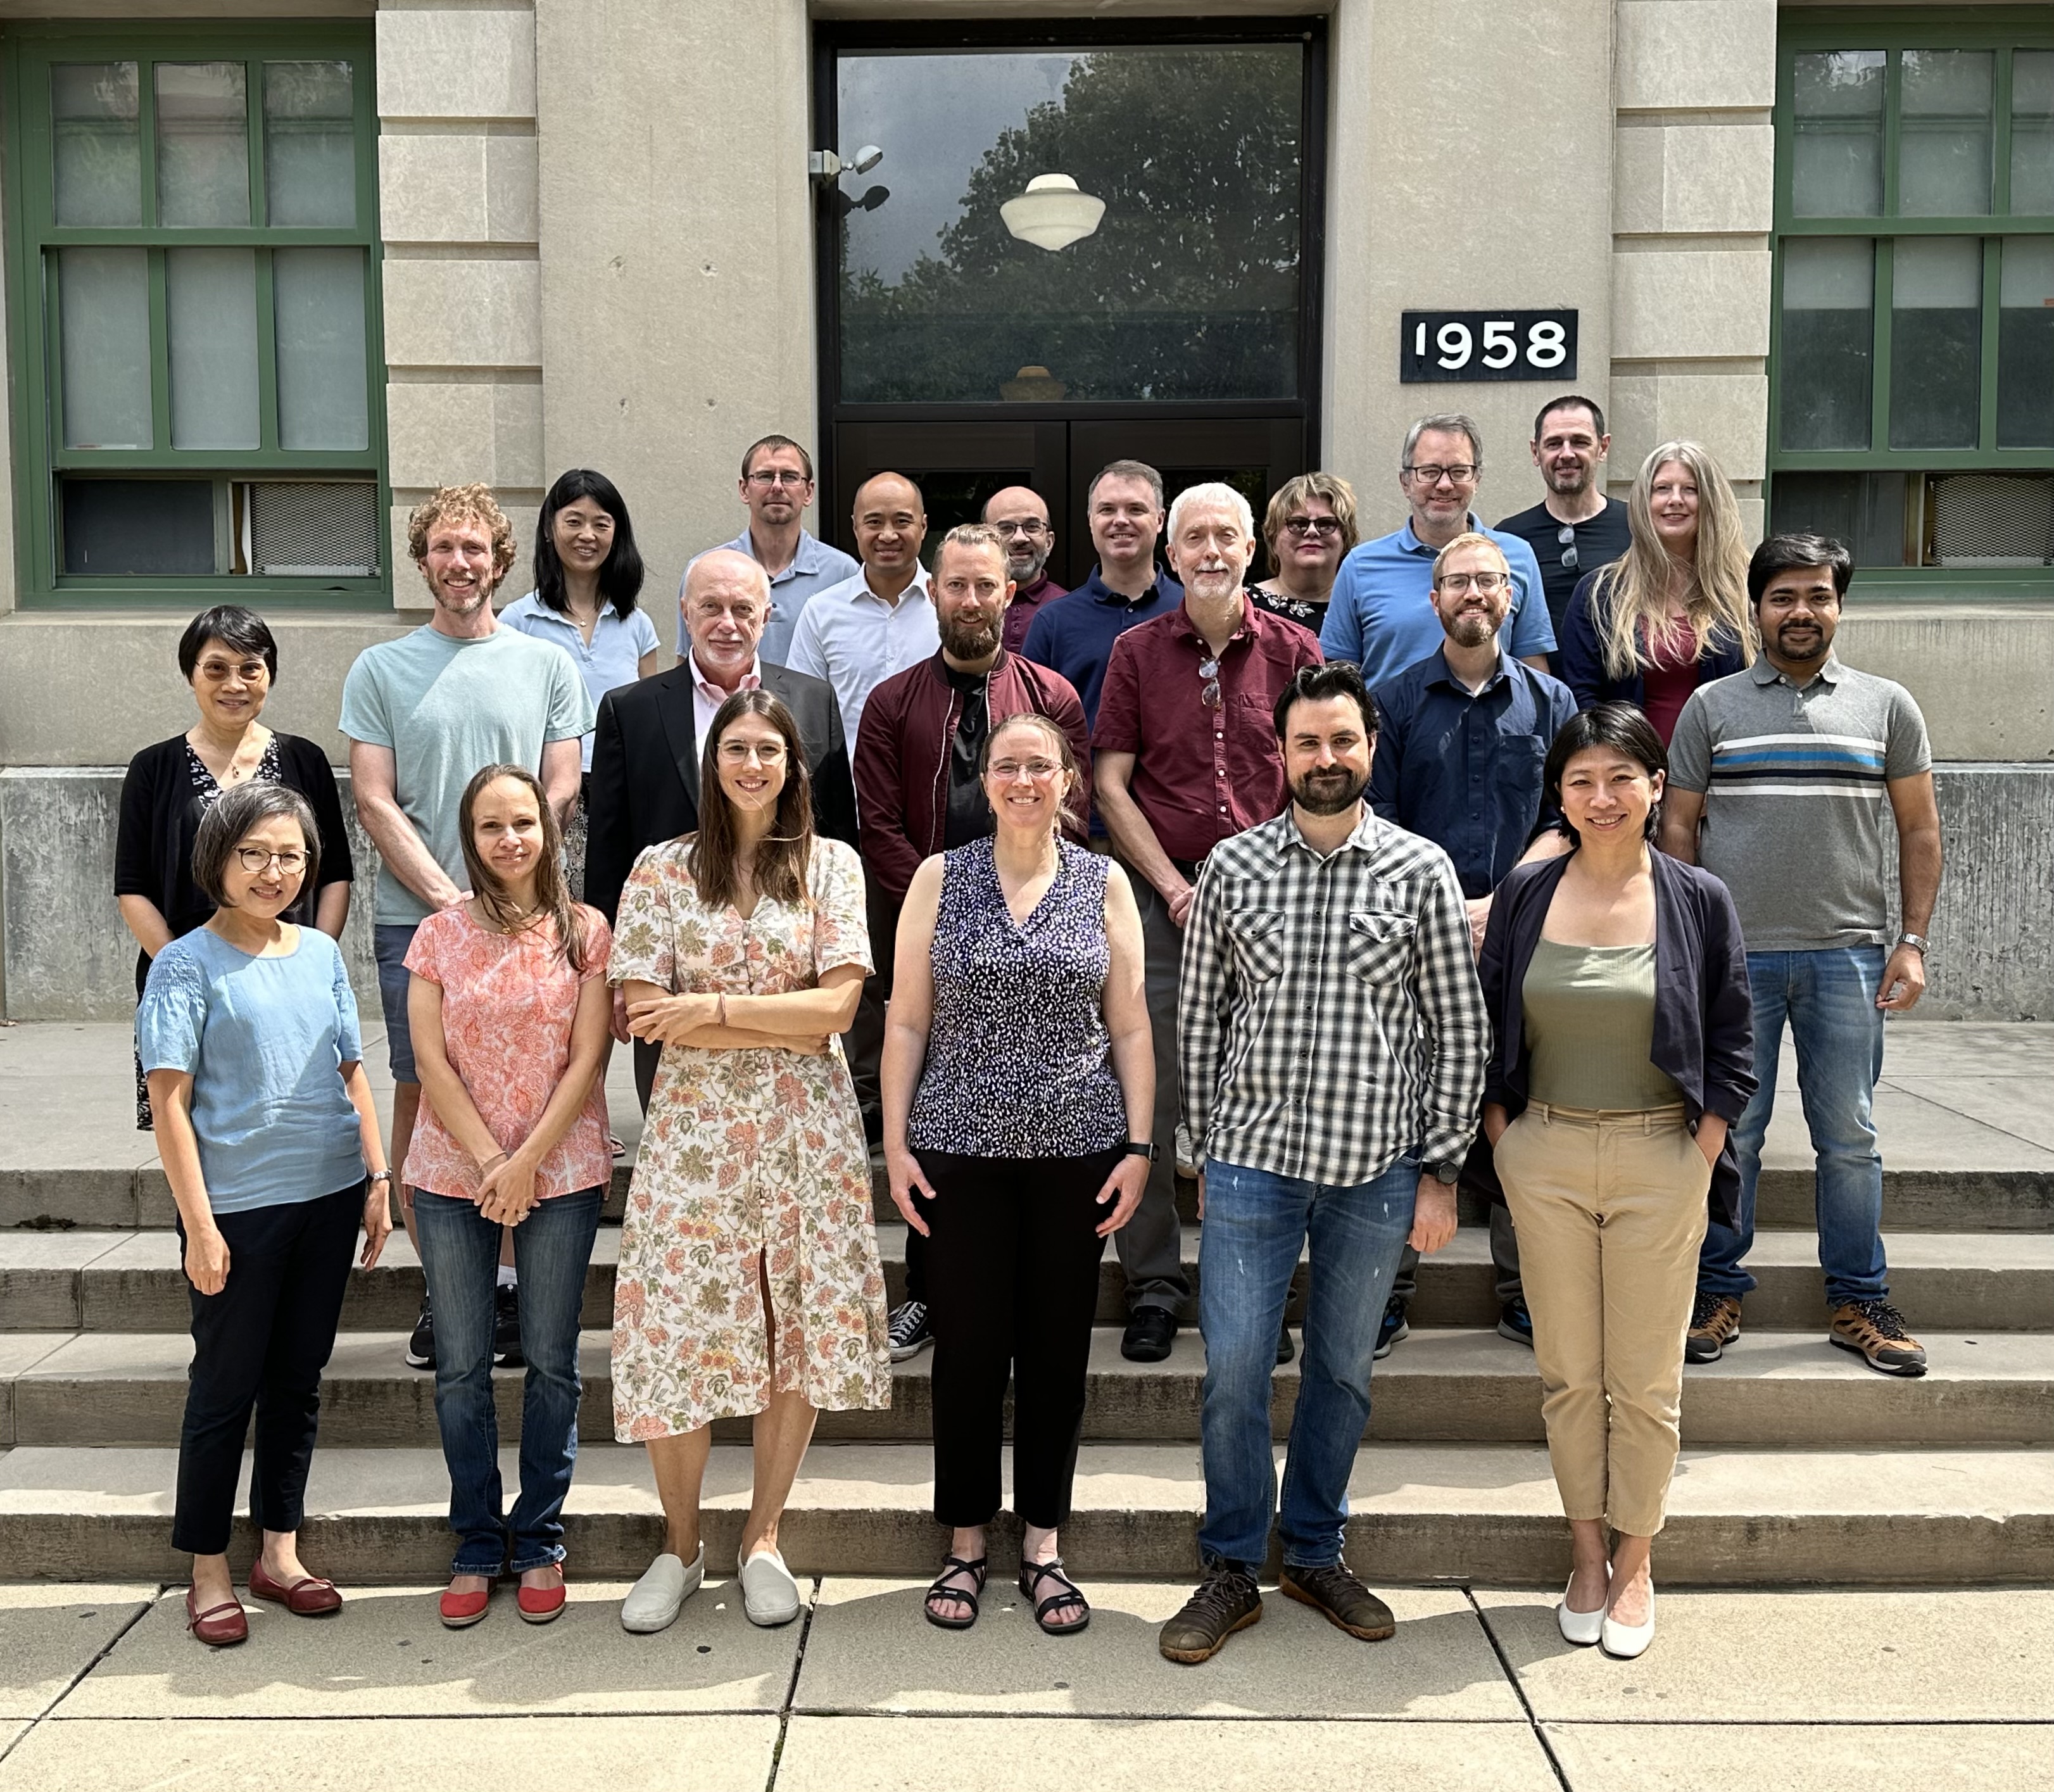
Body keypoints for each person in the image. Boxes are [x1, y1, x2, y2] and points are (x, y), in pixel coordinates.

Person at [1160, 662, 1487, 1667]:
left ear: (1370, 748)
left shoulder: (1421, 870)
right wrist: (1200, 1153)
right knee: (1236, 1372)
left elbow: (1458, 1028)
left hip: (1375, 1169)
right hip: (1253, 1163)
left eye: (1343, 740)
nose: (1326, 758)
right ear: (1282, 752)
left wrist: (1441, 1169)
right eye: (1308, 742)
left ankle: (1313, 1547)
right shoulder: (1231, 867)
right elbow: (1200, 1018)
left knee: (1343, 1372)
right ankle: (1228, 1564)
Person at [609, 689, 889, 1636]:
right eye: (736, 747)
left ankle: (762, 1535)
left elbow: (838, 1011)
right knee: (681, 1328)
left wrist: (715, 1012)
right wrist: (778, 1012)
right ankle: (680, 1545)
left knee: (792, 1327)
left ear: (793, 763)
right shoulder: (661, 868)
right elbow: (646, 1009)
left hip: (806, 1135)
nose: (752, 764)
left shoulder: (830, 866)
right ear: (712, 759)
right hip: (691, 1135)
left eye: (769, 748)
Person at [1478, 704, 1755, 1661]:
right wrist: (1503, 1139)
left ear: (1655, 787)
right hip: (1545, 1152)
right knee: (1570, 1374)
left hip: (1659, 1156)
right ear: (1558, 793)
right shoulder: (1525, 895)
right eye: (1582, 780)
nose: (1603, 798)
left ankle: (1639, 1558)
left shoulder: (1697, 897)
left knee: (1644, 1380)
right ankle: (1586, 1553)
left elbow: (1734, 1037)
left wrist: (1705, 1145)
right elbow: (1484, 1027)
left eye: (1621, 778)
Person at [882, 712, 1153, 1636]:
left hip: (1076, 1152)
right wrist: (896, 1138)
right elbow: (908, 1019)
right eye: (1008, 764)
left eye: (1041, 764)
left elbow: (1130, 1027)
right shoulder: (938, 877)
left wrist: (1140, 1146)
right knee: (964, 1352)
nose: (1025, 779)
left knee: (1054, 1354)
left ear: (1068, 778)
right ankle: (964, 1536)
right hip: (959, 1149)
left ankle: (1042, 1540)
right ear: (986, 780)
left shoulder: (1103, 881)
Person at [1661, 534, 1943, 1377]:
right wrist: (1688, 942)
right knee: (1731, 1131)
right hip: (1736, 960)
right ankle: (1715, 1288)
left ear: (1840, 606)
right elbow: (1678, 826)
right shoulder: (1711, 709)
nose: (1801, 612)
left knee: (1848, 1134)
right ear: (1756, 607)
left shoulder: (1888, 706)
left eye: (1818, 596)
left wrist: (1914, 942)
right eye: (1784, 596)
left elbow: (1920, 828)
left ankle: (1859, 1297)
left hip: (1849, 957)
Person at [341, 483, 595, 1373]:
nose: (460, 563)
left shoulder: (547, 665)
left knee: (526, 1094)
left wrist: (505, 895)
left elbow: (557, 786)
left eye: (475, 548)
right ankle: (448, 1288)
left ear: (500, 560)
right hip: (418, 923)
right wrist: (457, 901)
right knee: (428, 1101)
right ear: (423, 562)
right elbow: (374, 798)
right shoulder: (379, 669)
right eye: (443, 548)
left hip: (533, 921)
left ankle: (521, 1293)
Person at [137, 782, 393, 1648]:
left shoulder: (320, 952)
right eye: (254, 853)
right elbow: (167, 1105)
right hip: (236, 1210)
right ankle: (206, 1568)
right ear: (218, 858)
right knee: (223, 1389)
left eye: (289, 855)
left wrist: (377, 1175)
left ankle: (278, 1553)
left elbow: (352, 1069)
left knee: (297, 1383)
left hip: (326, 1198)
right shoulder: (183, 964)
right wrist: (199, 1226)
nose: (274, 870)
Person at [1093, 482, 1322, 1363]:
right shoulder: (1136, 651)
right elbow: (1111, 782)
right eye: (1196, 538)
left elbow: (1319, 773)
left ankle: (1255, 1291)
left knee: (1266, 1094)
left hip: (1273, 901)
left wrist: (1252, 878)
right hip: (1158, 898)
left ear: (1252, 549)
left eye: (1228, 535)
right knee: (1148, 1091)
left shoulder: (1296, 649)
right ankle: (1155, 1285)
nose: (1213, 550)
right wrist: (1175, 886)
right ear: (1173, 553)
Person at [856, 524, 1093, 1364]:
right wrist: (944, 903)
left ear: (1008, 593)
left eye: (985, 586)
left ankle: (1023, 1290)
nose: (970, 600)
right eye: (955, 585)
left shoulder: (1054, 699)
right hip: (928, 937)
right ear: (934, 593)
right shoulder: (890, 702)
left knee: (1030, 1117)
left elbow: (1076, 811)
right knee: (933, 1114)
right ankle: (929, 1289)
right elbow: (877, 824)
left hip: (1037, 936)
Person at [405, 766, 613, 1631]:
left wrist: (527, 1161)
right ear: (471, 835)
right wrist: (494, 1159)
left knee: (553, 1361)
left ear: (548, 828)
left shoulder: (587, 933)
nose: (510, 839)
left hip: (560, 1173)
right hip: (452, 1173)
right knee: (460, 1366)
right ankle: (477, 1535)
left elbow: (588, 1058)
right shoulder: (437, 935)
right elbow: (428, 1063)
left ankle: (539, 1533)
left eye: (523, 821)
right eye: (492, 825)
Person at [1368, 533, 1580, 1356]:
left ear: (1511, 597)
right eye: (1457, 582)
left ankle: (1525, 1288)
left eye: (1488, 581)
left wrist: (1504, 898)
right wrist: (1445, 900)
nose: (1473, 595)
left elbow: (1568, 815)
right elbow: (1374, 820)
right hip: (1415, 941)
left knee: (1523, 1114)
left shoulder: (1552, 705)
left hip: (1524, 936)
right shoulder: (1389, 703)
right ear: (1434, 601)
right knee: (1404, 1114)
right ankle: (1385, 1292)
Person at [585, 548, 857, 1111]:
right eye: (710, 607)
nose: (726, 623)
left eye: (742, 608)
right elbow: (608, 848)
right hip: (674, 979)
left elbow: (835, 830)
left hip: (791, 982)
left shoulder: (812, 699)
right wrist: (616, 972)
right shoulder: (629, 710)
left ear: (767, 615)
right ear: (685, 613)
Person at [117, 607, 353, 1131]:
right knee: (191, 1128)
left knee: (294, 1120)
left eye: (251, 668)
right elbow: (132, 888)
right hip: (187, 984)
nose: (235, 684)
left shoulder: (305, 759)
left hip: (291, 981)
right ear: (190, 675)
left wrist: (312, 962)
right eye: (216, 669)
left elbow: (335, 871)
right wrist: (190, 970)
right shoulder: (153, 768)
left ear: (269, 674)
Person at [500, 469, 659, 899]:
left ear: (617, 534)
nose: (587, 534)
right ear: (551, 529)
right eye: (574, 521)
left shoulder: (637, 624)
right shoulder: (517, 623)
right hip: (546, 792)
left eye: (601, 523)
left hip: (621, 792)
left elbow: (650, 719)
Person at [1321, 413, 1556, 690]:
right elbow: (1337, 681)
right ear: (1406, 482)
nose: (1444, 485)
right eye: (1430, 472)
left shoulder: (1516, 557)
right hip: (1392, 731)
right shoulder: (1360, 566)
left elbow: (1533, 671)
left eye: (1458, 471)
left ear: (1476, 479)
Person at [1559, 441, 1753, 743]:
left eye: (1690, 490)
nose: (1675, 500)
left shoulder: (1745, 587)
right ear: (1643, 501)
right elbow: (1582, 696)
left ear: (1710, 501)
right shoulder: (1600, 595)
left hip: (1725, 775)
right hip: (1630, 778)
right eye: (1662, 489)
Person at [1021, 460, 1182, 728]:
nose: (1120, 520)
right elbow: (1029, 725)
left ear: (1159, 520)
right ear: (1091, 521)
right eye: (1107, 509)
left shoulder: (1189, 610)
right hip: (1083, 770)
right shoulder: (1053, 622)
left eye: (1135, 509)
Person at [785, 470, 938, 751]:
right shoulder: (822, 613)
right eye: (874, 522)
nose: (888, 535)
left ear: (924, 526)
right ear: (856, 528)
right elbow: (802, 714)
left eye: (902, 521)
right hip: (848, 791)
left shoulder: (947, 610)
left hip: (933, 789)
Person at [675, 434, 858, 666]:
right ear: (744, 489)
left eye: (790, 477)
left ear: (809, 492)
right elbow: (687, 665)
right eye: (765, 476)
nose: (778, 487)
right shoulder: (705, 572)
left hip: (809, 703)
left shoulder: (842, 573)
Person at [1495, 395, 1633, 643]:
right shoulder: (1509, 538)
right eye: (1554, 444)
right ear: (1535, 452)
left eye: (1580, 442)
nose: (1566, 454)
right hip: (1537, 681)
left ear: (1603, 448)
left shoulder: (1637, 526)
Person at [1250, 472, 1359, 629]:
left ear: (1346, 538)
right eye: (1298, 523)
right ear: (1273, 537)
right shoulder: (1241, 610)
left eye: (1326, 523)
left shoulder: (1364, 608)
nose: (1312, 531)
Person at [983, 484, 1068, 654]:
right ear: (985, 540)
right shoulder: (968, 604)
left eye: (1032, 527)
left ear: (1049, 542)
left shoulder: (1070, 611)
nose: (1020, 538)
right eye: (1006, 528)